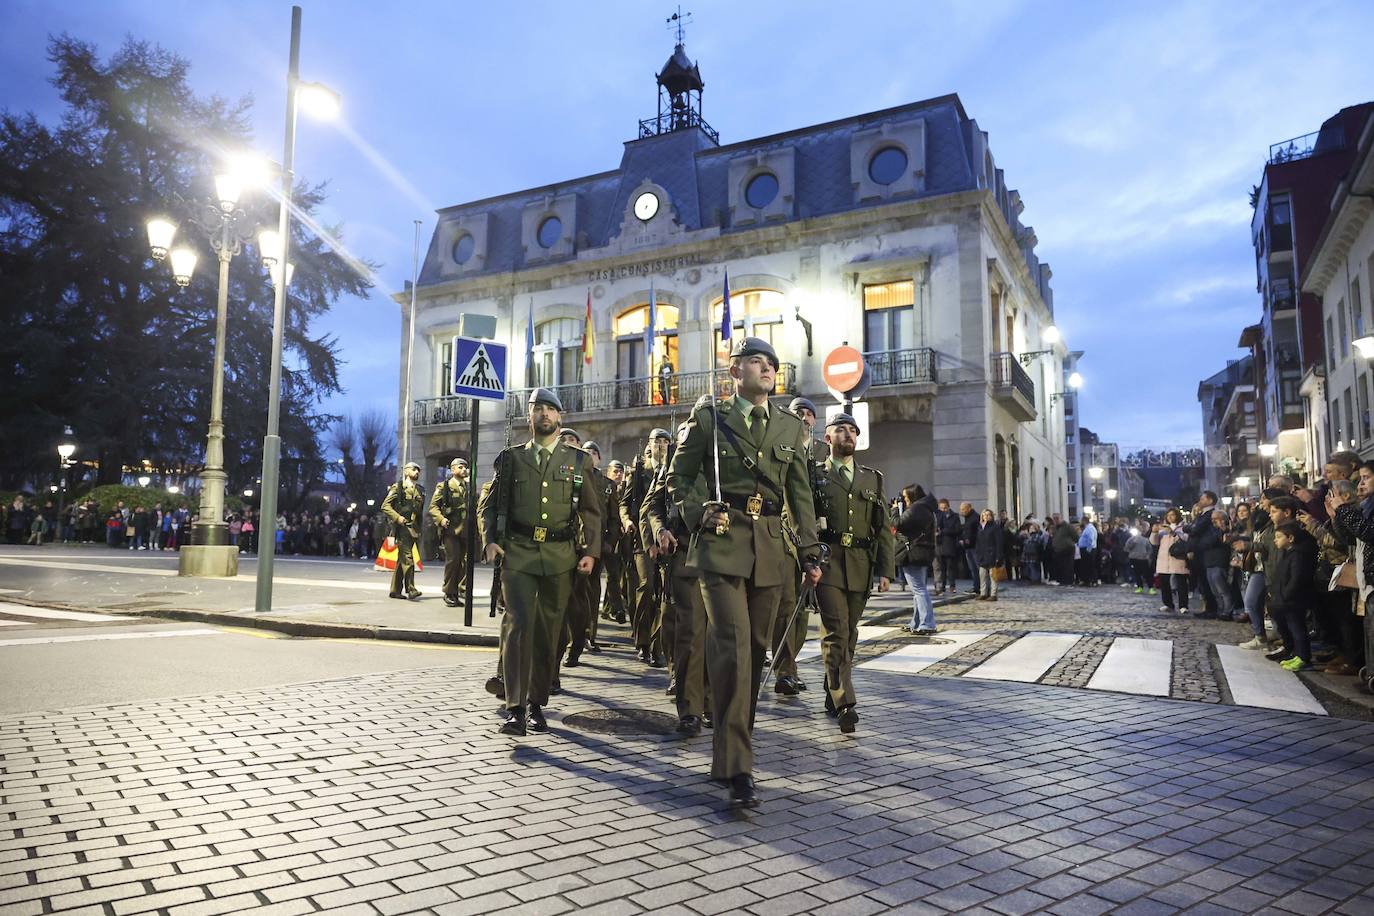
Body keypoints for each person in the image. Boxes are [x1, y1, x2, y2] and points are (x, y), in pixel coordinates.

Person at [666, 337, 820, 809]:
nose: (768, 368)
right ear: (735, 372)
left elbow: (801, 496)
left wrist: (811, 551)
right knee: (732, 644)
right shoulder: (710, 420)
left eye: (772, 362)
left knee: (754, 653)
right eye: (757, 361)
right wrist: (698, 513)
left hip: (770, 549)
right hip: (721, 544)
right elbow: (678, 478)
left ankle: (728, 753)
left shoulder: (791, 429)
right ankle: (739, 768)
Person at [480, 388, 603, 737]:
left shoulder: (578, 461)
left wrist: (591, 552)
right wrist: (490, 539)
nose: (545, 415)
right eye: (538, 409)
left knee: (550, 631)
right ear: (528, 417)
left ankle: (537, 703)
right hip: (517, 553)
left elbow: (592, 512)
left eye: (551, 409)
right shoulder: (512, 458)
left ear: (560, 418)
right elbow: (490, 505)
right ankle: (515, 707)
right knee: (518, 626)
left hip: (560, 556)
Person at [811, 413, 893, 733]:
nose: (848, 434)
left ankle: (832, 687)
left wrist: (886, 570)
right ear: (828, 439)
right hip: (827, 562)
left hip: (860, 564)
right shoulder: (814, 475)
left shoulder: (872, 479)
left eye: (853, 431)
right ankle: (845, 702)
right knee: (836, 631)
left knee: (850, 633)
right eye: (841, 430)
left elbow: (882, 529)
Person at [645, 413, 712, 736]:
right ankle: (690, 709)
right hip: (686, 556)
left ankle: (712, 701)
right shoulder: (674, 460)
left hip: (727, 558)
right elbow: (653, 505)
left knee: (721, 637)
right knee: (690, 636)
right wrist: (659, 532)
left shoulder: (728, 458)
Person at [771, 396, 825, 697]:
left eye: (809, 413)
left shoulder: (821, 452)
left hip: (815, 539)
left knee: (803, 610)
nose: (804, 418)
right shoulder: (779, 447)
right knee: (786, 606)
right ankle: (785, 670)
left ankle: (790, 665)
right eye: (798, 413)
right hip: (783, 539)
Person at [556, 429, 606, 669]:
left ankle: (577, 643)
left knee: (577, 604)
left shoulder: (588, 473)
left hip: (580, 546)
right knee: (556, 608)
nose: (567, 444)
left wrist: (591, 550)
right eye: (563, 440)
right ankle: (551, 672)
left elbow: (594, 512)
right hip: (556, 548)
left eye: (572, 441)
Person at [622, 429, 671, 666]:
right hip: (642, 540)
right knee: (646, 587)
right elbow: (625, 502)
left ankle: (657, 645)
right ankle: (642, 642)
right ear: (649, 445)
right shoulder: (640, 469)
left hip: (666, 539)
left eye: (665, 441)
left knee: (664, 593)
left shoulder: (673, 468)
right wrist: (626, 519)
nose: (661, 445)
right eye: (657, 441)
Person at [1267, 520, 1318, 671]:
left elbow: (1296, 578)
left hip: (1294, 601)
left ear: (1290, 538)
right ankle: (1297, 654)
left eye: (1278, 537)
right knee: (1293, 627)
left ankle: (1304, 658)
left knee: (1298, 629)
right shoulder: (1289, 553)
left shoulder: (1297, 555)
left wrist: (1286, 595)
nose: (1275, 540)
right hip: (1287, 600)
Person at [428, 457, 470, 607]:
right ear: (453, 470)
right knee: (453, 561)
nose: (464, 469)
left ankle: (456, 591)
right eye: (460, 467)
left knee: (463, 563)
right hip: (450, 530)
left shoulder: (468, 487)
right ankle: (448, 592)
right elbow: (433, 507)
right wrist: (441, 519)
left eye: (465, 467)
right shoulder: (444, 486)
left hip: (465, 530)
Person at [895, 484, 937, 634]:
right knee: (918, 590)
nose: (905, 500)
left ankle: (927, 623)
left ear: (913, 496)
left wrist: (894, 510)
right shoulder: (925, 508)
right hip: (921, 552)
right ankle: (917, 622)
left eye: (906, 497)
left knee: (919, 590)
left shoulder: (917, 508)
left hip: (914, 553)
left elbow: (899, 524)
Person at [382, 462, 426, 599]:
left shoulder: (420, 489)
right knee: (408, 558)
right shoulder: (399, 487)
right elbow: (385, 506)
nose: (417, 472)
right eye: (414, 469)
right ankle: (411, 589)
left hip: (414, 528)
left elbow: (419, 512)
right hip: (402, 528)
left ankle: (395, 590)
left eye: (418, 470)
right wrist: (397, 518)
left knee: (402, 559)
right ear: (406, 471)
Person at [1153, 510, 1190, 614]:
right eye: (1168, 515)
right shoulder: (1162, 528)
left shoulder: (1183, 527)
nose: (1170, 517)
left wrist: (1174, 533)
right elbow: (1154, 542)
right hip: (1164, 559)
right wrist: (1154, 532)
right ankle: (1168, 604)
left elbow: (1186, 539)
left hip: (1178, 557)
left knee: (1181, 583)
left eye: (1172, 515)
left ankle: (1183, 605)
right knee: (1164, 583)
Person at [933, 498, 961, 595]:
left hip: (949, 545)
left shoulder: (954, 516)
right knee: (940, 568)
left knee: (950, 568)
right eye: (941, 508)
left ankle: (952, 586)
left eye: (944, 508)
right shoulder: (937, 516)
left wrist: (944, 531)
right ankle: (942, 586)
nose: (943, 510)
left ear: (948, 507)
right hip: (939, 545)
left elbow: (957, 530)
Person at [975, 509, 1004, 600]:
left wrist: (999, 556)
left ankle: (993, 594)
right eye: (984, 515)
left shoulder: (995, 527)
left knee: (993, 575)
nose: (986, 517)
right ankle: (983, 593)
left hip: (992, 554)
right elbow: (978, 542)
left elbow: (999, 542)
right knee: (982, 575)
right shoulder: (980, 527)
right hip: (982, 555)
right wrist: (977, 553)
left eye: (988, 515)